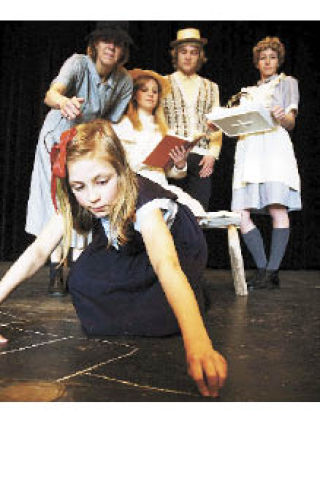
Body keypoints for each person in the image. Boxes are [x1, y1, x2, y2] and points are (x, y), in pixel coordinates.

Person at [0, 119, 227, 397]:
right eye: (79, 187)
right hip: (126, 242)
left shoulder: (145, 200)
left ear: (120, 170)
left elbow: (165, 264)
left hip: (173, 247)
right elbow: (38, 252)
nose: (92, 197)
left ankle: (191, 296)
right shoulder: (81, 198)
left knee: (163, 315)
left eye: (102, 182)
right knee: (82, 280)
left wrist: (198, 344)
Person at [25, 24, 133, 296]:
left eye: (118, 43)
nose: (111, 47)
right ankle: (54, 271)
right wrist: (64, 102)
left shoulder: (123, 81)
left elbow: (110, 121)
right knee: (56, 201)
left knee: (83, 200)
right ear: (95, 45)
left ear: (123, 50)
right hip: (57, 140)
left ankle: (77, 268)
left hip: (85, 144)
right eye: (105, 41)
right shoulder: (78, 63)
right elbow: (51, 94)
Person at [229, 37, 301, 289]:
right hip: (249, 151)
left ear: (278, 60)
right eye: (262, 58)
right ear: (257, 62)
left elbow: (291, 121)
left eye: (272, 57)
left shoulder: (286, 83)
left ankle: (272, 271)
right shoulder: (246, 92)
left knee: (276, 208)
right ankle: (262, 268)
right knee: (241, 213)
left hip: (273, 149)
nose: (267, 61)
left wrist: (283, 117)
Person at [112, 68, 206, 217]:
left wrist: (179, 163)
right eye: (145, 90)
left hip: (161, 185)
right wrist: (148, 159)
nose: (151, 94)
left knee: (195, 212)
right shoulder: (121, 126)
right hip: (135, 187)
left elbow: (170, 173)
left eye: (155, 92)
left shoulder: (164, 131)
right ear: (135, 94)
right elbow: (116, 165)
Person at [162, 28, 222, 210]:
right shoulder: (162, 83)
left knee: (198, 213)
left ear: (200, 56)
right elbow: (158, 121)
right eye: (183, 52)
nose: (188, 57)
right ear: (176, 55)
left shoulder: (211, 87)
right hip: (172, 156)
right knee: (171, 214)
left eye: (193, 52)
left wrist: (213, 154)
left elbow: (217, 124)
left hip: (202, 157)